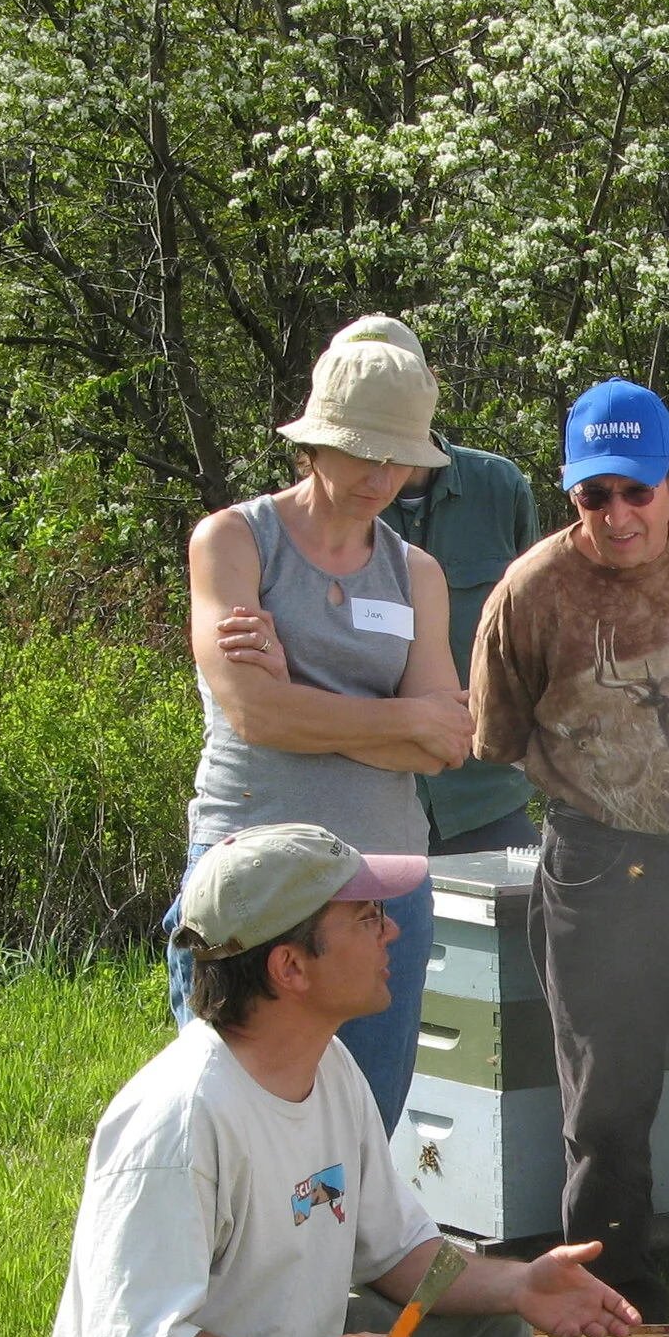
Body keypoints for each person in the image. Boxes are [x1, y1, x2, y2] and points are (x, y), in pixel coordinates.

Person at [5, 825, 637, 1337]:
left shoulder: (329, 1067)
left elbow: (403, 1254)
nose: (394, 932)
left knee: (489, 1331)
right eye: (367, 917)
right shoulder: (177, 1119)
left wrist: (521, 1284)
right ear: (289, 966)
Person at [467, 378, 669, 1335]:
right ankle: (608, 1310)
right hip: (601, 872)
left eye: (638, 490)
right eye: (597, 496)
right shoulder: (531, 591)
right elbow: (499, 734)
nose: (620, 515)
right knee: (605, 1110)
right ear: (570, 496)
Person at [170, 320, 475, 1134]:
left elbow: (447, 742)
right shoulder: (234, 542)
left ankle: (349, 1270)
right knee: (232, 1129)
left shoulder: (416, 573)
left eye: (399, 455)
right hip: (252, 878)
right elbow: (251, 710)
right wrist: (397, 717)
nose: (382, 474)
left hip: (383, 885)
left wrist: (302, 697)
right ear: (313, 442)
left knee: (362, 1131)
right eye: (363, 450)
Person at [324, 318, 547, 857]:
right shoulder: (319, 515)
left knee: (527, 930)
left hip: (484, 794)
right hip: (358, 798)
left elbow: (535, 630)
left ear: (427, 385)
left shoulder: (499, 487)